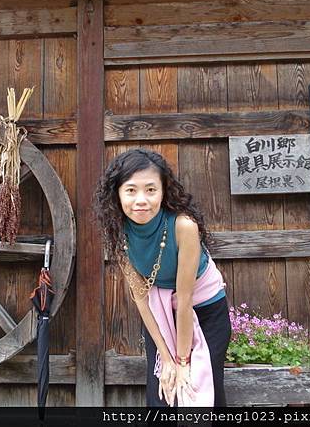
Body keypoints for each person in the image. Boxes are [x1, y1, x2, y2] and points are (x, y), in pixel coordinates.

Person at [94, 148, 231, 407]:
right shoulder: (118, 232)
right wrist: (167, 359)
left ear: (163, 190)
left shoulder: (183, 227)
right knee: (162, 391)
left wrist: (182, 362)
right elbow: (141, 298)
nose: (141, 200)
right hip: (160, 312)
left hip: (204, 311)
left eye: (150, 190)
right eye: (131, 190)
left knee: (199, 390)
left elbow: (186, 297)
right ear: (118, 194)